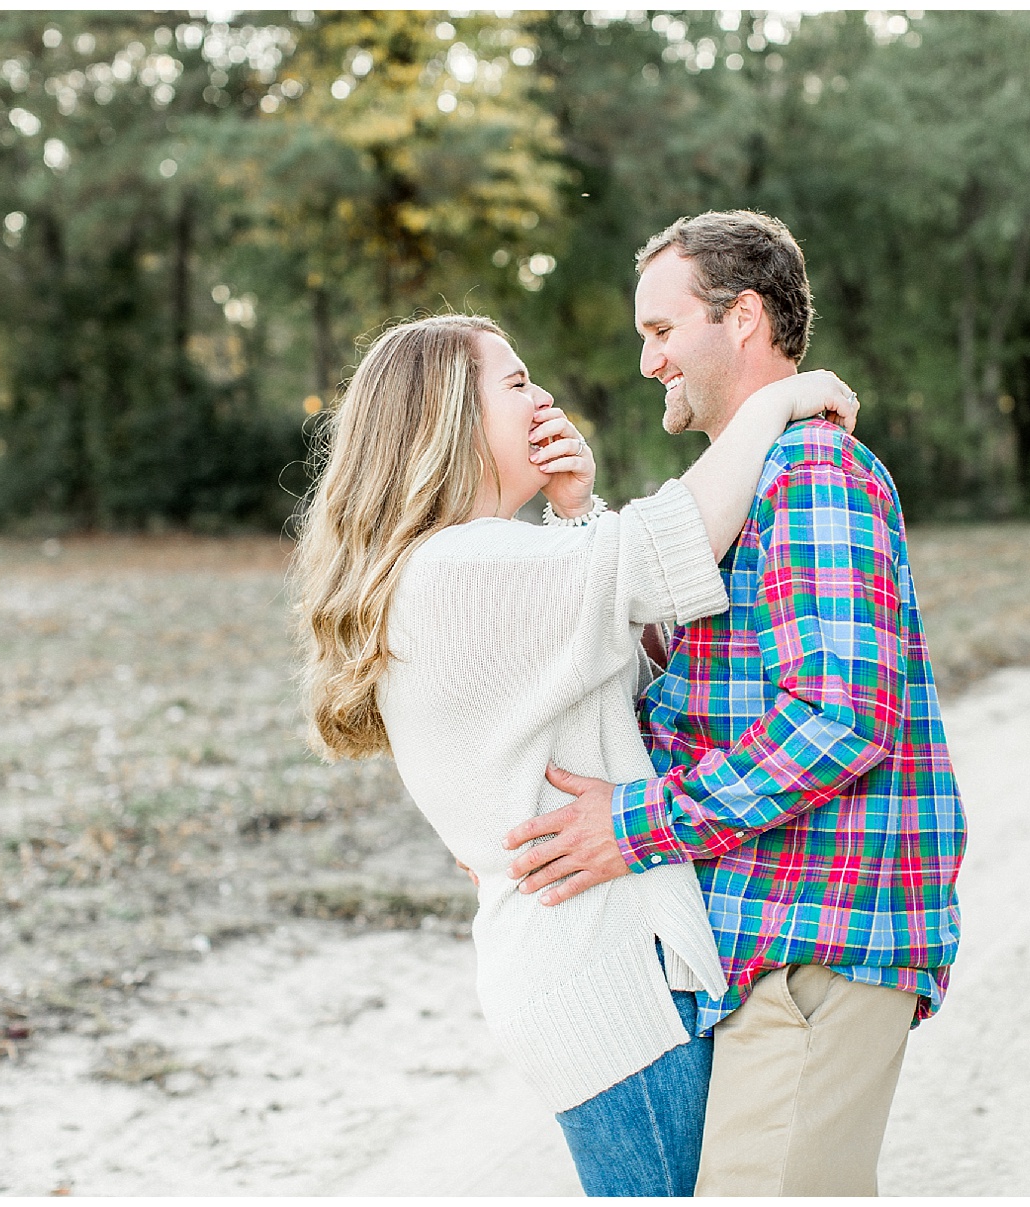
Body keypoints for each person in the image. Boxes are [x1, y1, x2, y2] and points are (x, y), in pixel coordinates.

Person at [290, 313, 858, 1196]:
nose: (543, 395)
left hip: (586, 968)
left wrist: (573, 511)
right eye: (515, 382)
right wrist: (778, 400)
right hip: (605, 974)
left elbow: (613, 668)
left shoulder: (466, 567)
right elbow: (668, 548)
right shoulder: (464, 567)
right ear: (449, 416)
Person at [505, 211, 968, 1196]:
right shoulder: (758, 477)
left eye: (661, 331)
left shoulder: (812, 472)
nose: (647, 361)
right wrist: (578, 516)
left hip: (825, 935)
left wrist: (632, 825)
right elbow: (679, 674)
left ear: (744, 317)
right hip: (779, 936)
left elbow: (842, 715)